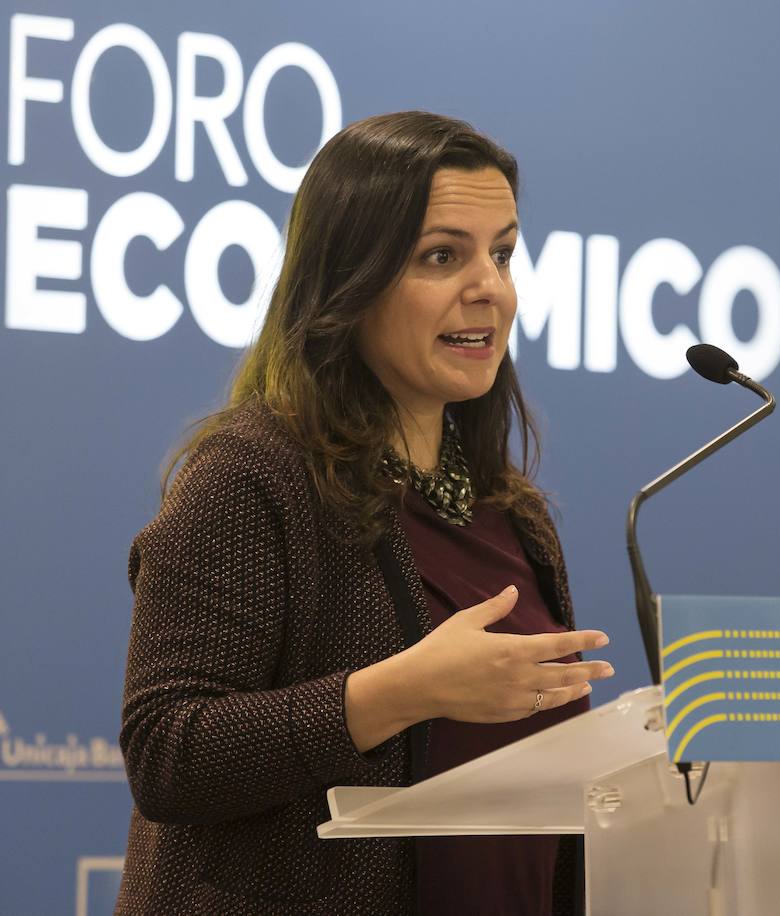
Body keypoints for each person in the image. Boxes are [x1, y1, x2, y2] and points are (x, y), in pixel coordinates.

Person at [115, 111, 614, 915]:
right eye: (442, 256)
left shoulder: (510, 512)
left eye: (504, 253)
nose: (489, 286)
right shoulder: (250, 476)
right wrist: (399, 691)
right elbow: (170, 753)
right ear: (350, 279)